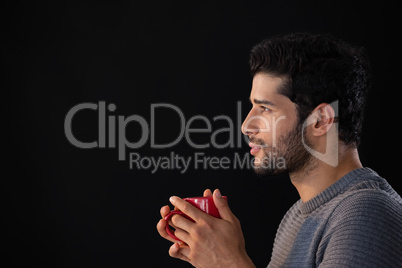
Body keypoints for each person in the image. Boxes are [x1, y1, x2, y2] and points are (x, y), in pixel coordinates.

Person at [156, 32, 402, 268]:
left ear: (321, 120)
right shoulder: (296, 217)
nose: (245, 126)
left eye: (265, 109)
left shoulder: (367, 215)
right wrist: (212, 258)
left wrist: (229, 262)